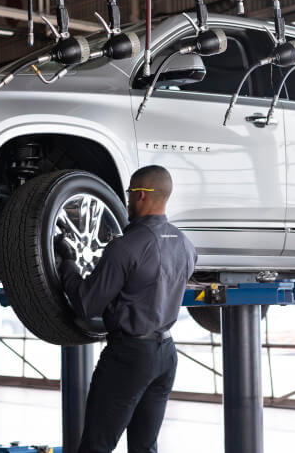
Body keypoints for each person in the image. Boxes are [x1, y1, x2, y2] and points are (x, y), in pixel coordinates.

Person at [55, 165, 197, 453]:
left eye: (131, 193)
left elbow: (86, 304)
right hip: (166, 355)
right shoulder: (185, 244)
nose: (128, 200)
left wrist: (67, 262)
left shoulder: (127, 246)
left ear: (142, 196)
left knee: (97, 445)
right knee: (145, 447)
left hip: (129, 356)